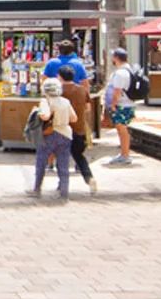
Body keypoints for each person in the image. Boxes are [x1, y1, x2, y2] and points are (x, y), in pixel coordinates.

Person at [29, 78, 78, 200]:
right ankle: (64, 192)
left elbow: (45, 116)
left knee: (41, 161)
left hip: (50, 134)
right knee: (63, 164)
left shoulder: (45, 101)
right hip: (66, 134)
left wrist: (38, 113)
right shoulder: (66, 101)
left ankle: (37, 189)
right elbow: (74, 118)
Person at [58, 65, 97, 195]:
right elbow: (87, 108)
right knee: (78, 155)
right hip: (79, 127)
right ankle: (89, 178)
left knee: (62, 156)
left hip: (62, 127)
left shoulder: (59, 90)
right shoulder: (82, 90)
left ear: (60, 77)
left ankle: (62, 184)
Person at [102, 48, 136, 167]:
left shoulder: (121, 73)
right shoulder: (128, 70)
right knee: (122, 130)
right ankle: (124, 153)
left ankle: (125, 155)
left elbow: (117, 91)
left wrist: (113, 104)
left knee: (122, 130)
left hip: (122, 105)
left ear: (116, 58)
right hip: (127, 104)